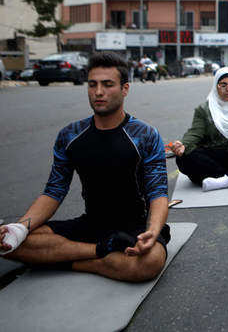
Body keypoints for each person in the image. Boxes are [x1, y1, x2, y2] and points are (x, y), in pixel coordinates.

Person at [0, 52, 170, 282]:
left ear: (125, 88)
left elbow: (158, 193)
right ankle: (101, 253)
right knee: (7, 243)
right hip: (91, 224)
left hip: (135, 226)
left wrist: (153, 230)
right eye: (93, 85)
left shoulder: (145, 135)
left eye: (108, 85)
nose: (98, 92)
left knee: (150, 262)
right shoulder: (70, 135)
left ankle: (66, 259)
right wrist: (19, 229)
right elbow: (53, 191)